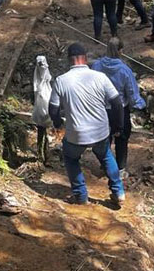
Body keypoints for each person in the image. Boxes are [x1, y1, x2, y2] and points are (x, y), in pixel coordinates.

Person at [49, 42, 125, 209]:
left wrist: (58, 124)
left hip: (76, 134)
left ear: (69, 60)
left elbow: (53, 109)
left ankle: (81, 194)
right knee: (106, 155)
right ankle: (118, 192)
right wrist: (118, 126)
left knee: (71, 158)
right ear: (85, 58)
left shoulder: (61, 80)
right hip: (100, 131)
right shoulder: (100, 77)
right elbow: (117, 103)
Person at [90, 37, 146, 176]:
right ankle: (120, 169)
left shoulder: (96, 66)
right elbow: (132, 93)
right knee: (122, 138)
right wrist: (141, 104)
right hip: (120, 110)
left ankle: (106, 165)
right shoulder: (125, 70)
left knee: (104, 138)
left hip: (101, 109)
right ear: (121, 51)